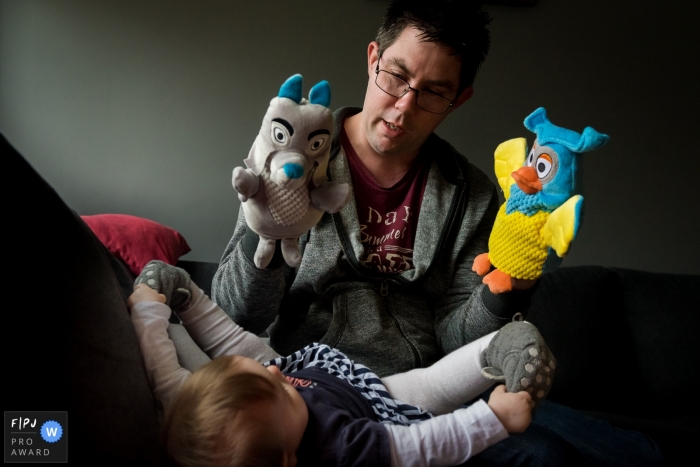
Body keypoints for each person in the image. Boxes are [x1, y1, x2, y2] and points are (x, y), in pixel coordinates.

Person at [210, 2, 665, 465]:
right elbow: (235, 311)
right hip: (316, 392)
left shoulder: (473, 196)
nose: (404, 105)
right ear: (373, 59)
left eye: (433, 92)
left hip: (429, 388)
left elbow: (457, 338)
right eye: (395, 76)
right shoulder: (295, 155)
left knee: (635, 455)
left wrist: (511, 284)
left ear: (459, 98)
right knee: (542, 457)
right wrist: (266, 229)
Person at [129, 260, 546, 467]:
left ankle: (185, 299)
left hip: (325, 372)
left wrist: (149, 309)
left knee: (238, 351)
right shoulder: (341, 447)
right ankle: (497, 349)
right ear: (287, 460)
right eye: (276, 388)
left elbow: (167, 377)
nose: (276, 374)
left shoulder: (241, 405)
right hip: (377, 401)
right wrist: (494, 420)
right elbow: (422, 447)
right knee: (428, 386)